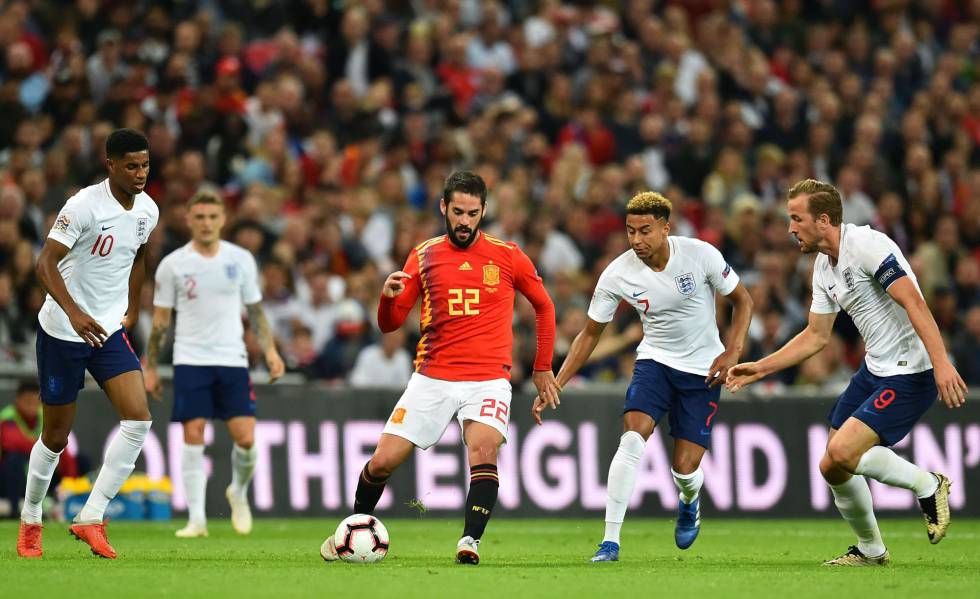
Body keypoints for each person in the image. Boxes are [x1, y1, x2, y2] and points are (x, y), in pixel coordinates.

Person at [322, 171, 560, 565]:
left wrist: (542, 367)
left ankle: (470, 541)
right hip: (432, 375)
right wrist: (386, 299)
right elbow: (390, 324)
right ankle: (354, 527)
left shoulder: (507, 255)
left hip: (488, 378)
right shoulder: (424, 255)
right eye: (458, 212)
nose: (464, 221)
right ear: (443, 208)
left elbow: (545, 306)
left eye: (472, 212)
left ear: (484, 210)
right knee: (382, 461)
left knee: (484, 449)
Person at [726, 179, 966, 566]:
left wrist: (941, 363)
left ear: (823, 220)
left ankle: (928, 484)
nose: (790, 228)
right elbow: (816, 336)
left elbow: (915, 304)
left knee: (841, 451)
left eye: (796, 219)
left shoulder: (868, 247)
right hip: (875, 369)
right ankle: (871, 551)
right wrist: (761, 368)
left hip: (910, 370)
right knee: (831, 466)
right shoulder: (823, 266)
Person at [533, 191, 753, 562]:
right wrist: (558, 379)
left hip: (702, 371)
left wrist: (732, 351)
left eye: (645, 231)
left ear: (666, 228)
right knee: (633, 437)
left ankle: (689, 497)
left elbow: (743, 301)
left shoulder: (700, 255)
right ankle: (610, 541)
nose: (636, 240)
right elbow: (590, 334)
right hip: (655, 362)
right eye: (630, 231)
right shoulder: (617, 274)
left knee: (684, 470)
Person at [18, 128, 159, 559]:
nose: (140, 174)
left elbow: (139, 258)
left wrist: (131, 308)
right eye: (131, 165)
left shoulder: (147, 211)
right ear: (110, 164)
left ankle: (91, 517)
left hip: (108, 330)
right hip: (63, 329)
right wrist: (75, 313)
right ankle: (30, 520)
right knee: (56, 436)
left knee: (138, 418)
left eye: (145, 165)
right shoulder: (83, 206)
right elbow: (45, 263)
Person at [144, 191, 284, 538]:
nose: (206, 223)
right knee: (193, 434)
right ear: (188, 220)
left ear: (223, 220)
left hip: (232, 359)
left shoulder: (241, 260)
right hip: (190, 360)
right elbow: (161, 320)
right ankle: (197, 520)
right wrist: (149, 364)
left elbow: (255, 312)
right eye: (199, 217)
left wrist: (270, 352)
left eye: (212, 217)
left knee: (246, 438)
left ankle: (237, 491)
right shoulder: (173, 265)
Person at [1, 380, 78, 517]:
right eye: (27, 402)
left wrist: (69, 479)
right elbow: (13, 443)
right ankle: (14, 512)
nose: (31, 406)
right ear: (18, 401)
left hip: (36, 467)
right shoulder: (8, 417)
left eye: (35, 402)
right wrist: (43, 445)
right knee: (15, 459)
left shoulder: (45, 417)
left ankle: (67, 502)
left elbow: (60, 445)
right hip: (8, 477)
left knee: (76, 460)